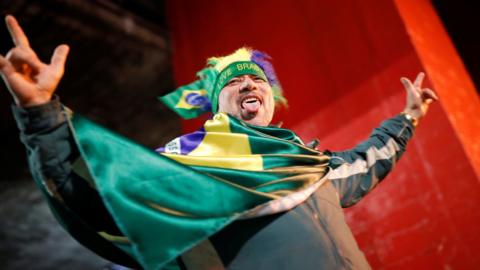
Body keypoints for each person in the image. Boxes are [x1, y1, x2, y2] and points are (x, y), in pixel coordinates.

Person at [1, 15, 438, 270]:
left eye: (257, 79)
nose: (249, 83)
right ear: (216, 105)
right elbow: (98, 199)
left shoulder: (313, 165)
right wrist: (42, 117)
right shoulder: (188, 163)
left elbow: (368, 159)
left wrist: (409, 118)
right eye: (235, 82)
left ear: (269, 97)